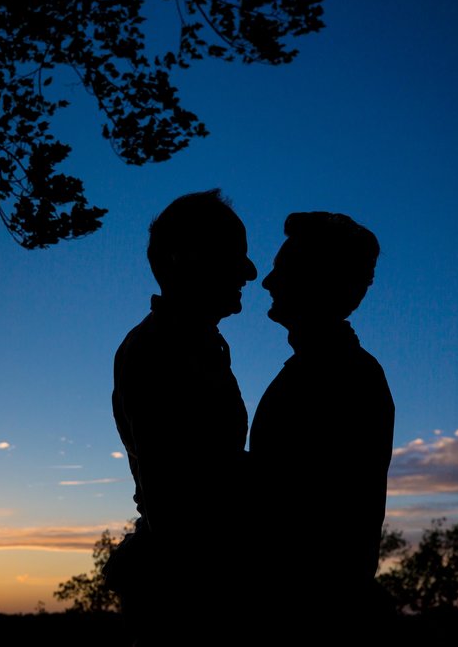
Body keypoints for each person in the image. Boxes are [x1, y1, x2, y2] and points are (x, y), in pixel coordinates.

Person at [106, 189, 256, 643]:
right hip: (187, 600)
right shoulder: (159, 350)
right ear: (183, 259)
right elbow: (179, 497)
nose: (249, 271)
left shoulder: (193, 344)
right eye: (234, 255)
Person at [247, 212, 395, 631]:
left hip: (310, 619)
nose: (268, 282)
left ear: (318, 281)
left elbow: (299, 504)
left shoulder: (341, 376)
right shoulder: (320, 370)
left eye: (283, 270)